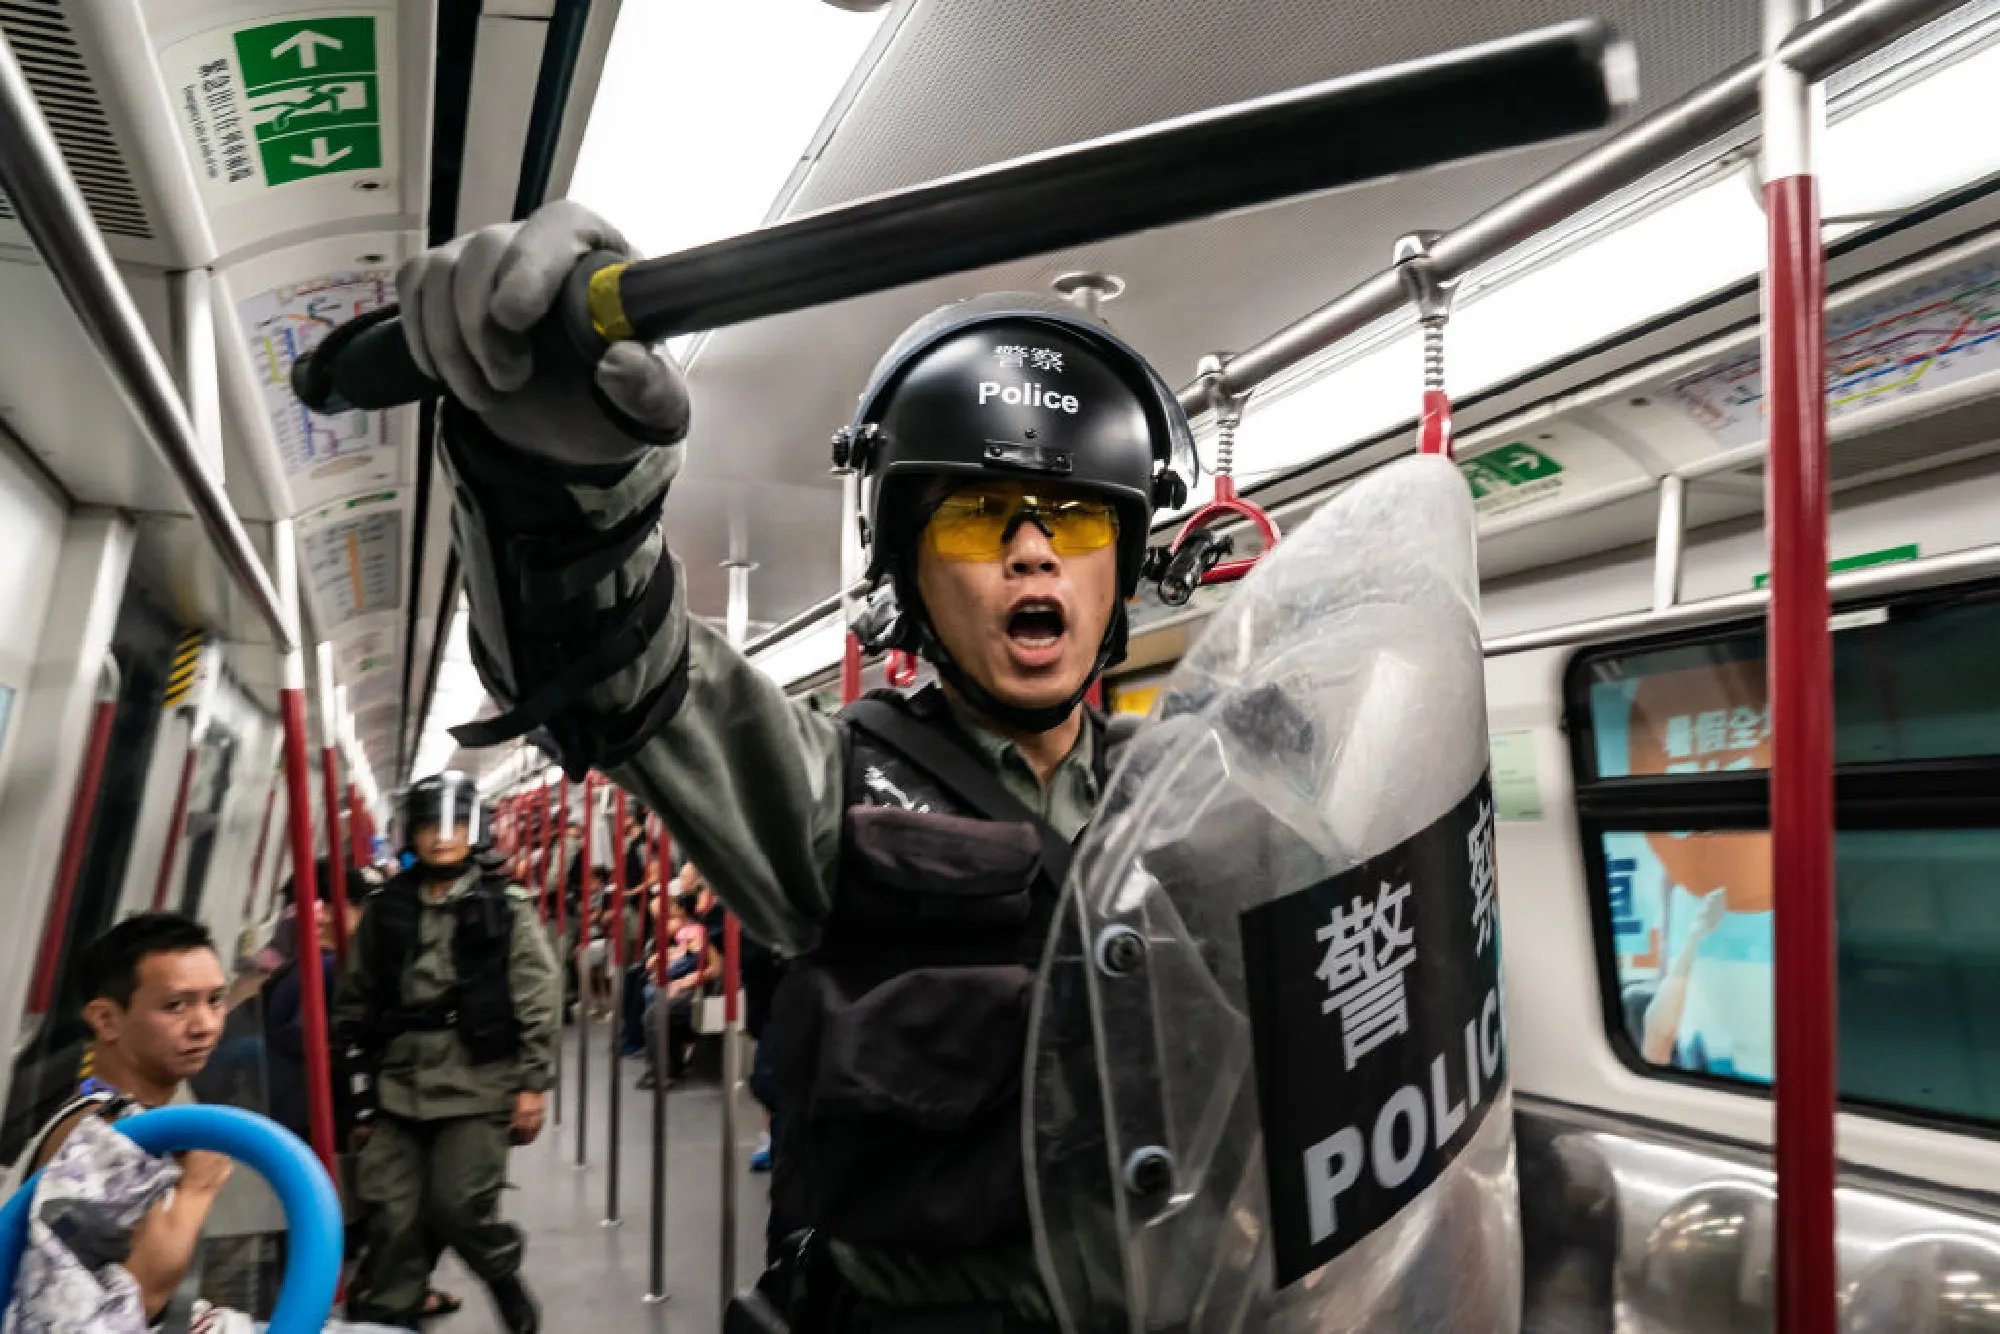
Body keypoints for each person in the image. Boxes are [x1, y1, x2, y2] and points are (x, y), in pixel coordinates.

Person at [395, 198, 1193, 1330]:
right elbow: (622, 670)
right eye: (976, 516)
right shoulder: (836, 796)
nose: (1029, 547)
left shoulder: (1196, 794)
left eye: (1073, 520)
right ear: (909, 571)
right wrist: (551, 483)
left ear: (1122, 565)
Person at [333, 770, 560, 1333]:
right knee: (391, 1212)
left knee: (458, 1206)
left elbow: (538, 993)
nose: (442, 836)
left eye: (457, 823)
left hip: (478, 1077)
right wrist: (359, 1096)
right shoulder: (387, 910)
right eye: (431, 823)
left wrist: (532, 1083)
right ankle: (390, 1316)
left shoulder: (504, 906)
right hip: (398, 1080)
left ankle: (501, 1274)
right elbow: (354, 1003)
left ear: (476, 829)